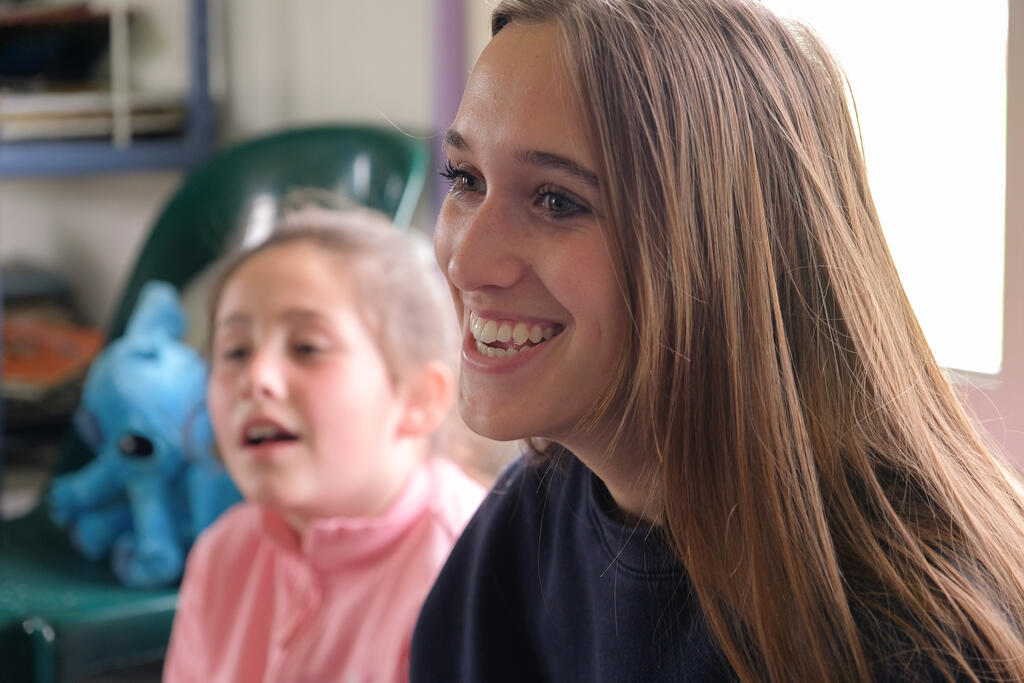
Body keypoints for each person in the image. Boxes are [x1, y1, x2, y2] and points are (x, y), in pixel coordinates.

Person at [409, 1, 1024, 681]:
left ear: (719, 249)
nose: (465, 260)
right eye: (466, 180)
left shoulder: (911, 639)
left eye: (557, 200)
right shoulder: (529, 524)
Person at [163, 208, 486, 683]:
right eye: (235, 351)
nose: (256, 378)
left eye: (307, 347)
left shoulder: (469, 575)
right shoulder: (223, 554)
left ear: (418, 398)